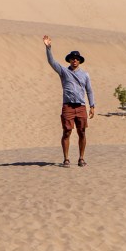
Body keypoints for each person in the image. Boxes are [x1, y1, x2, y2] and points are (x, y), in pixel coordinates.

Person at [43, 35, 95, 167]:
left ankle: (81, 158)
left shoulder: (85, 75)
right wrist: (48, 48)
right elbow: (52, 62)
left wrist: (92, 105)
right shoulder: (64, 72)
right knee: (67, 132)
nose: (75, 60)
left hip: (81, 106)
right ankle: (66, 159)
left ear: (80, 61)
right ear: (69, 60)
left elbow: (89, 90)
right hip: (68, 107)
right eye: (72, 59)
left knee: (82, 132)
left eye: (77, 59)